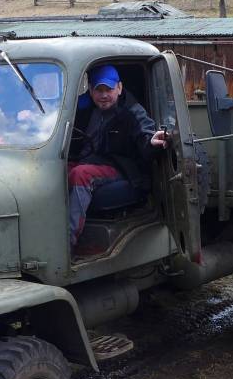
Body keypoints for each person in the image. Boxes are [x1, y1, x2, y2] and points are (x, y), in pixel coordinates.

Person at [67, 63, 167, 252]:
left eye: (109, 89)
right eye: (99, 90)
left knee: (80, 175)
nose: (104, 95)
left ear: (119, 88)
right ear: (91, 90)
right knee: (55, 170)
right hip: (90, 161)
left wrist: (152, 141)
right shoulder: (86, 109)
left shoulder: (132, 111)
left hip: (122, 168)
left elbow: (145, 134)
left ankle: (67, 242)